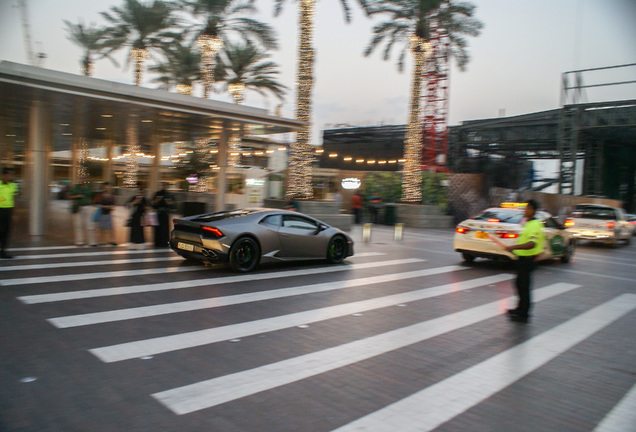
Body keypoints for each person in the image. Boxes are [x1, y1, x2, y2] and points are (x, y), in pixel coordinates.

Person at [504, 199, 546, 323]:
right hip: (522, 259)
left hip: (528, 260)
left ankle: (524, 315)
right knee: (519, 284)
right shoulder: (527, 223)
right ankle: (519, 309)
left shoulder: (535, 224)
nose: (525, 210)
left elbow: (532, 243)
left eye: (527, 208)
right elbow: (524, 241)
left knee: (524, 287)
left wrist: (514, 247)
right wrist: (514, 250)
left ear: (533, 210)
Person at [68, 180, 95, 247]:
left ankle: (91, 241)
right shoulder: (75, 187)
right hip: (78, 207)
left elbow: (92, 196)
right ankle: (79, 241)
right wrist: (77, 196)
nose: (82, 181)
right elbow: (69, 196)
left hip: (87, 206)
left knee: (89, 224)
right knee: (78, 225)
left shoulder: (88, 188)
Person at [0, 167, 18, 259]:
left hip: (8, 211)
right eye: (10, 174)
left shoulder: (13, 186)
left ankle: (3, 251)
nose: (11, 176)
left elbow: (14, 199)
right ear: (4, 175)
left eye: (12, 174)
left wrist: (14, 214)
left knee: (6, 232)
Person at [151, 182, 174, 248]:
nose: (162, 187)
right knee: (158, 229)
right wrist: (156, 201)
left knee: (164, 229)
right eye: (161, 185)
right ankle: (157, 242)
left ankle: (164, 242)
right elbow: (153, 204)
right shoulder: (157, 194)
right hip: (158, 214)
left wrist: (169, 203)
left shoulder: (169, 194)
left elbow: (173, 206)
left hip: (165, 214)